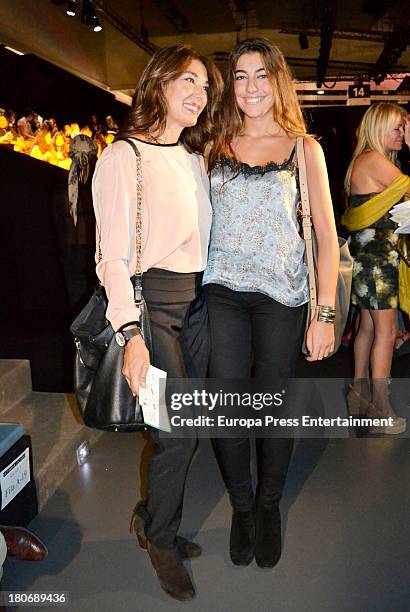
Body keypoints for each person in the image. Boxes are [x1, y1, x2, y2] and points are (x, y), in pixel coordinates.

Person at [92, 44, 221, 601]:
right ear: (159, 83)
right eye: (189, 82)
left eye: (207, 87)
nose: (200, 95)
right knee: (179, 432)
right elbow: (111, 258)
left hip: (197, 306)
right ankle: (161, 539)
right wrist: (130, 335)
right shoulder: (125, 158)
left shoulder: (192, 157)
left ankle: (151, 516)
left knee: (189, 427)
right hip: (155, 311)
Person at [203, 38, 339, 568]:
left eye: (261, 75)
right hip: (222, 290)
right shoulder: (213, 139)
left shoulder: (304, 148)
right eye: (240, 76)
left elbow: (326, 237)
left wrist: (323, 314)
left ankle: (269, 505)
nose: (250, 87)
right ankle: (241, 506)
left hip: (282, 294)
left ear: (278, 81)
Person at [343, 103, 410, 434]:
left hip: (366, 261)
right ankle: (381, 409)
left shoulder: (365, 159)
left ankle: (358, 394)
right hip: (379, 263)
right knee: (386, 332)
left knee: (366, 329)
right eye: (397, 128)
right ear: (378, 127)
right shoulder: (375, 161)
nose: (401, 133)